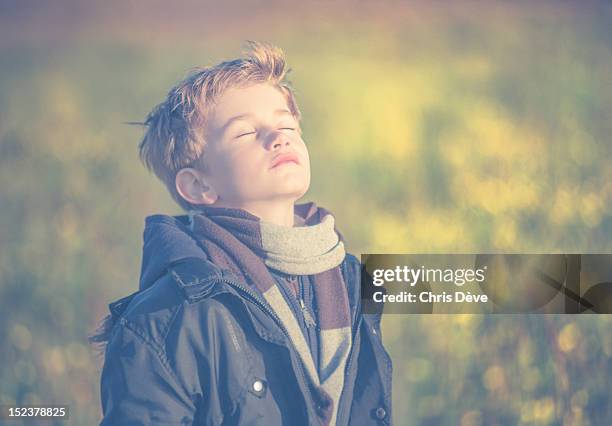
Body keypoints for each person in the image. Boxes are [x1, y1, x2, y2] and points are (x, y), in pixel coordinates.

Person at [93, 40, 392, 426]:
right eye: (245, 133)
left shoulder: (348, 273)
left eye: (286, 125)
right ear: (199, 187)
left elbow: (476, 284)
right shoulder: (166, 317)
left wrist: (494, 281)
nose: (279, 137)